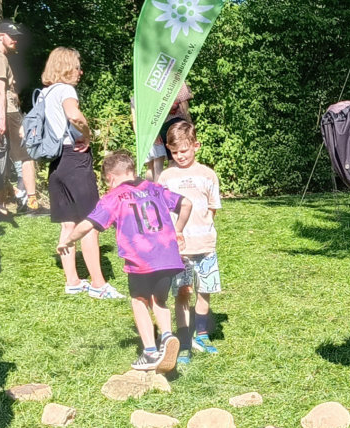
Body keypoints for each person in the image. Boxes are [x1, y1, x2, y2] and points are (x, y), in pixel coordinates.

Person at [56, 150, 192, 373]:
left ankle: (150, 352)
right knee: (159, 300)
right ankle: (168, 336)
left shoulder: (114, 197)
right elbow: (186, 203)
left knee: (139, 300)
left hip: (140, 258)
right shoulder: (155, 188)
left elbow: (87, 224)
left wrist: (68, 241)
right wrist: (178, 230)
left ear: (110, 178)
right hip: (168, 256)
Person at [41, 48, 119, 299]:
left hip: (56, 163)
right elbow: (74, 114)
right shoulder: (65, 90)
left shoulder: (44, 93)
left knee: (68, 223)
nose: (80, 72)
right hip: (74, 159)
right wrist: (87, 135)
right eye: (76, 67)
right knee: (90, 222)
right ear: (65, 68)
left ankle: (73, 281)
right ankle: (98, 284)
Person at [158, 120, 223, 364]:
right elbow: (162, 211)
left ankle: (202, 335)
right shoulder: (166, 177)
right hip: (180, 251)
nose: (180, 156)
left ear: (196, 145)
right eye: (175, 152)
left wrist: (203, 232)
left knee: (204, 292)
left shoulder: (208, 175)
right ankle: (184, 341)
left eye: (184, 150)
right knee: (182, 294)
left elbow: (212, 208)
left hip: (205, 247)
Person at [0, 22, 38, 215]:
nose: (15, 40)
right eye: (11, 36)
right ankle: (32, 203)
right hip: (5, 113)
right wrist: (2, 118)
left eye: (16, 36)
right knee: (26, 156)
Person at [135, 84, 193, 180]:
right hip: (178, 124)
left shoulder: (156, 85)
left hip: (162, 125)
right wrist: (189, 123)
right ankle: (172, 182)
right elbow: (184, 103)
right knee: (180, 157)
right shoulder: (178, 81)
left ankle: (164, 183)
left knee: (171, 158)